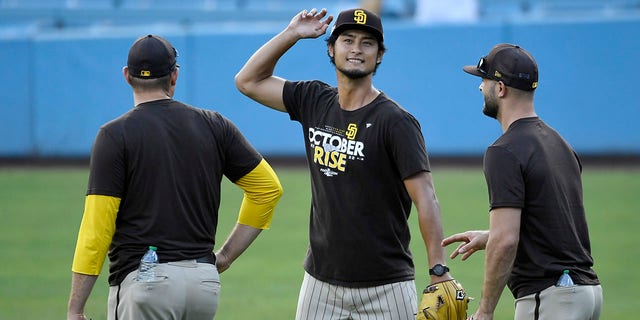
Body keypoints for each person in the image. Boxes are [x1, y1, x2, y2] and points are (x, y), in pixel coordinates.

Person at [235, 8, 461, 319]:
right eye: (347, 40)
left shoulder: (396, 122)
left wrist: (438, 269)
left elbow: (426, 198)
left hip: (387, 285)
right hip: (321, 283)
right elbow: (247, 81)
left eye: (367, 43)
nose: (356, 49)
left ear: (379, 55)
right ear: (331, 48)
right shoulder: (313, 99)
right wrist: (291, 35)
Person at [67, 34, 283, 320]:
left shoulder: (114, 135)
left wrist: (75, 308)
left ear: (126, 76)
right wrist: (226, 256)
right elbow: (267, 189)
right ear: (174, 76)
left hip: (145, 283)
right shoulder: (214, 125)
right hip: (203, 285)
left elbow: (97, 228)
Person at [443, 43, 602, 320]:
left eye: (484, 80)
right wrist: (488, 237)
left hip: (551, 298)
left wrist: (485, 311)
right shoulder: (560, 143)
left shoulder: (503, 151)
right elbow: (555, 228)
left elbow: (506, 241)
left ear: (500, 88)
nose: (480, 87)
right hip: (586, 294)